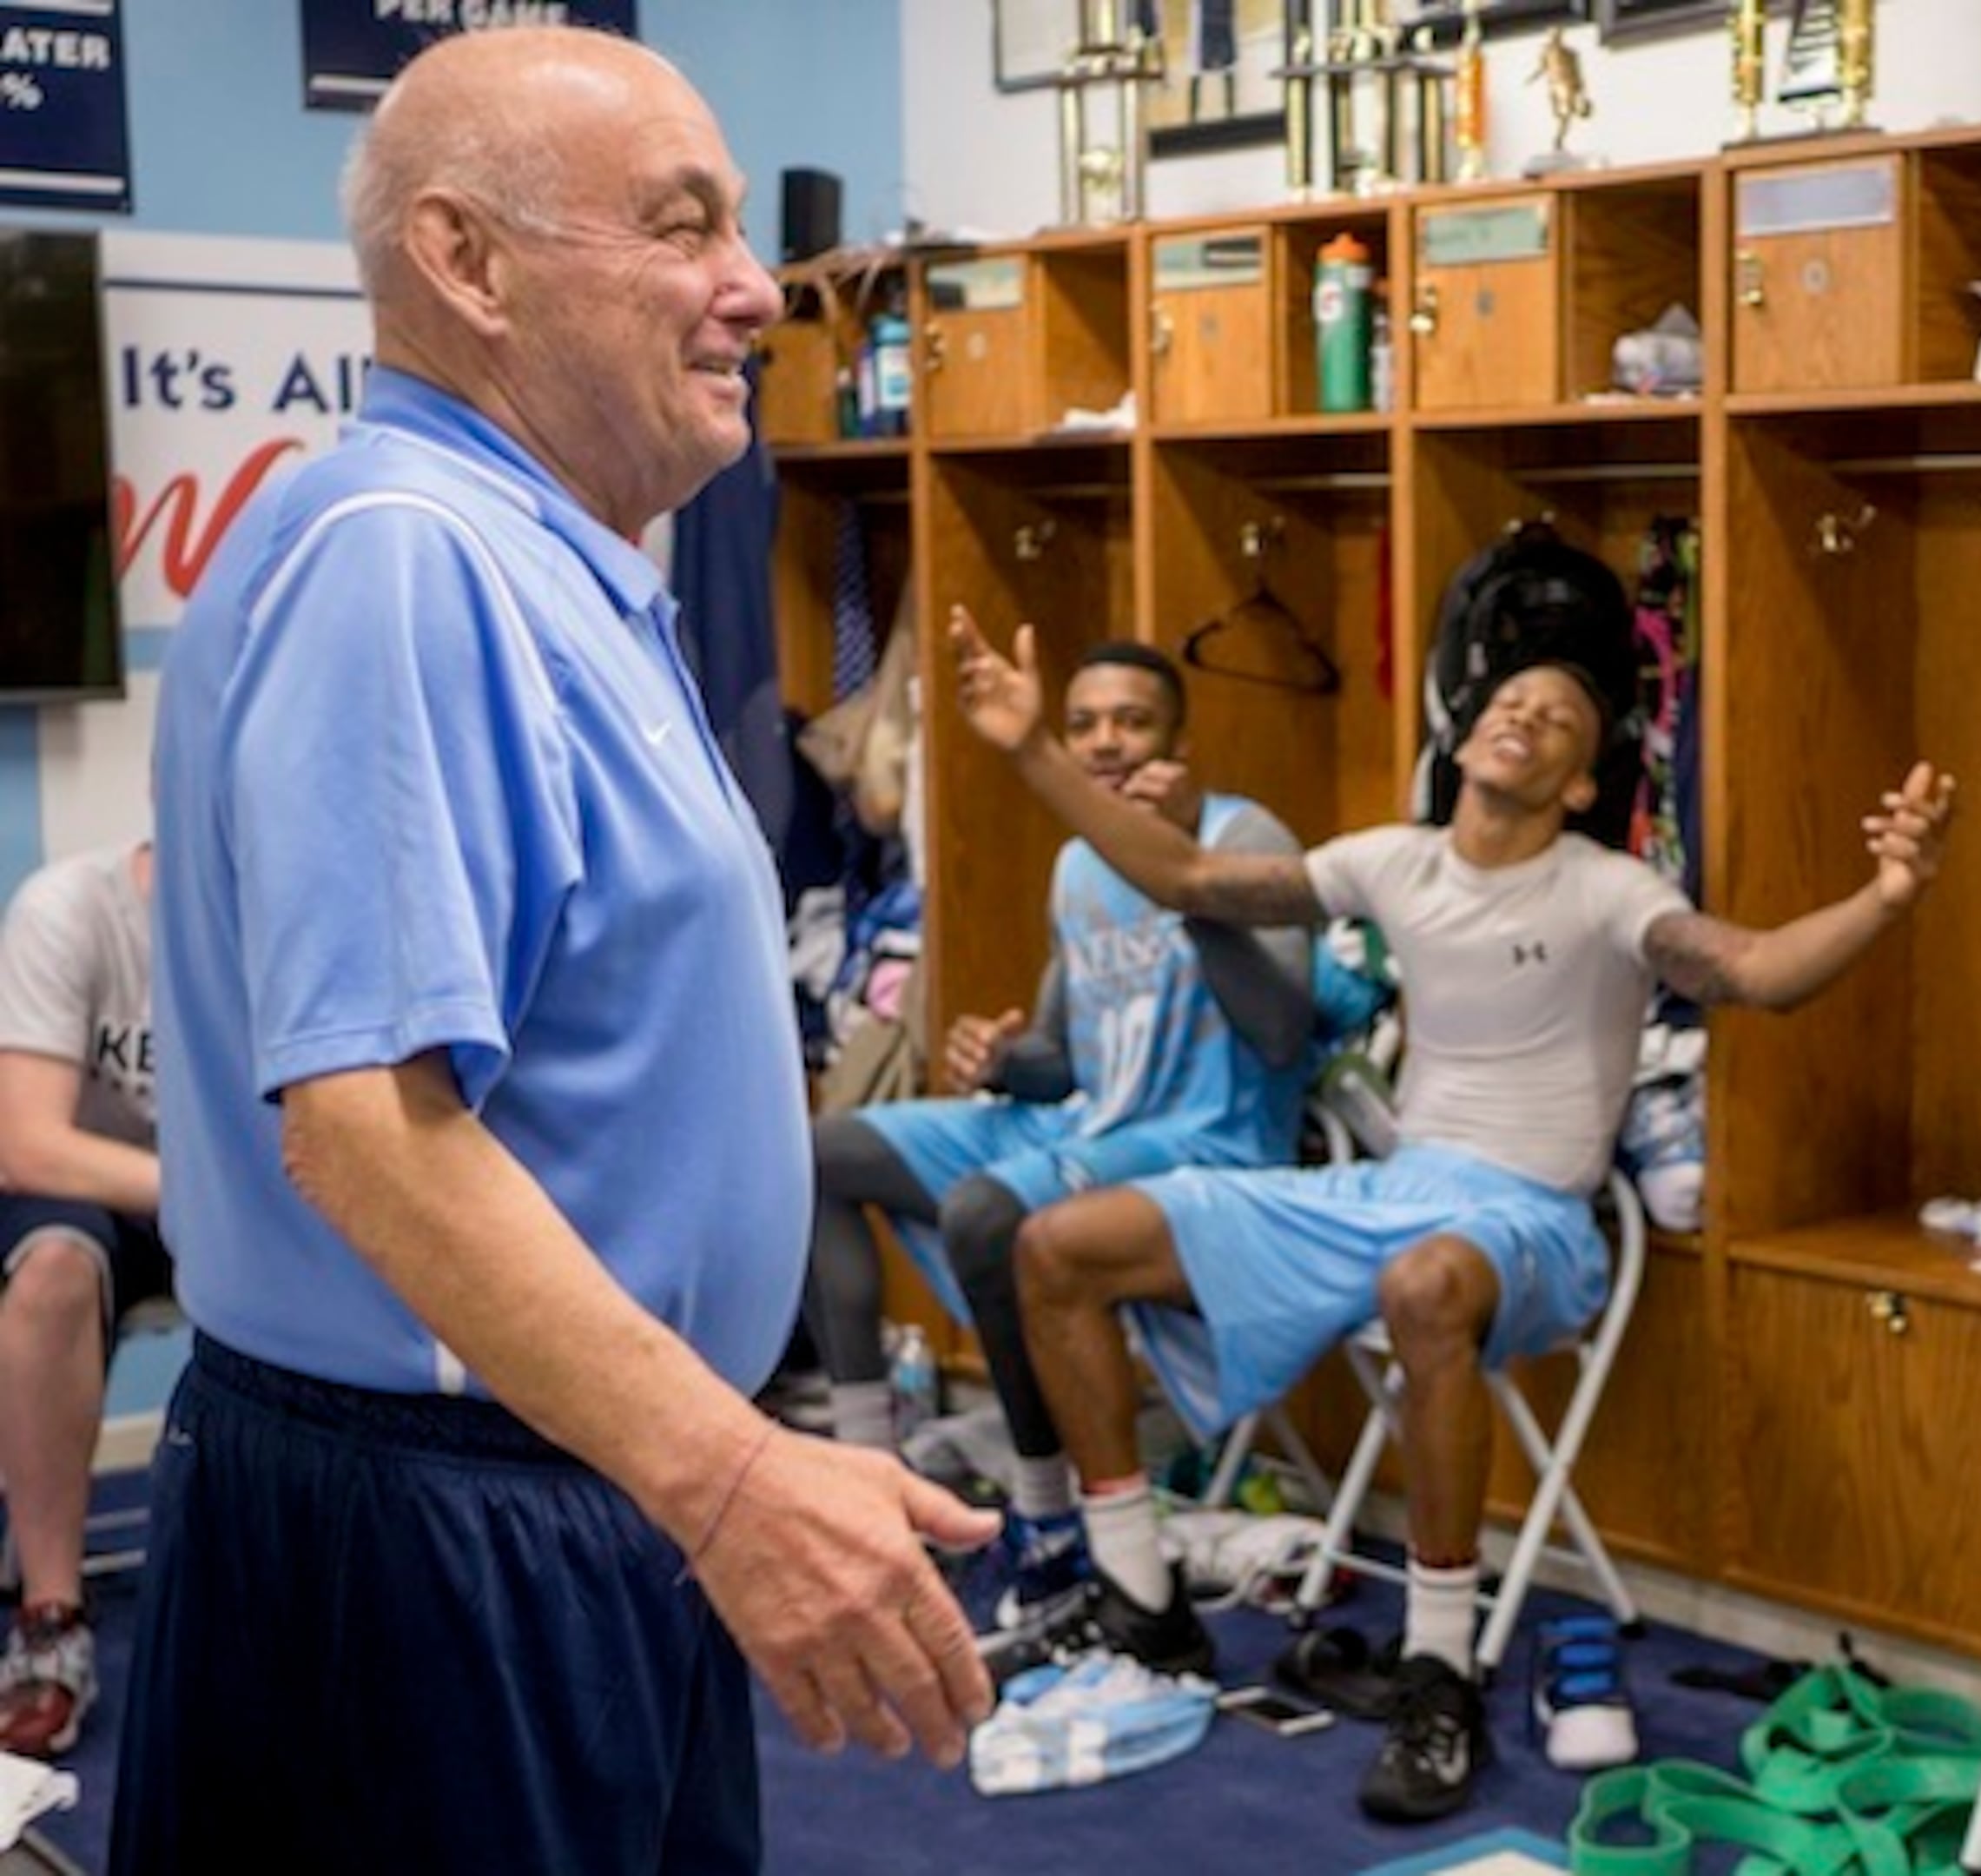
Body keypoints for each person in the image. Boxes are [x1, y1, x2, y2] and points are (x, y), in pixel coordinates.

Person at [128, 28, 994, 1871]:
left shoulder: (557, 556)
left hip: (577, 1484)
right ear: (466, 262)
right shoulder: (404, 554)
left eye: (740, 230)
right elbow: (367, 1124)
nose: (755, 289)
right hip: (437, 1531)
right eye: (681, 230)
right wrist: (738, 1476)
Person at [948, 604, 1958, 1822]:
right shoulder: (1394, 862)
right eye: (1508, 701)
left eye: (1562, 717)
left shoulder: (1609, 889)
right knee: (1057, 1245)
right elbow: (1184, 874)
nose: (1524, 714)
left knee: (1424, 1283)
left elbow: (1754, 974)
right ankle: (1141, 1604)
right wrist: (1028, 749)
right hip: (1389, 1192)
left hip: (1528, 1222)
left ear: (1583, 782)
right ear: (1466, 735)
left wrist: (1888, 899)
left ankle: (1439, 1669)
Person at [809, 638, 1311, 1675]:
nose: (1105, 743)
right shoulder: (1078, 861)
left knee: (989, 1214)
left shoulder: (1239, 833)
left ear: (1180, 740)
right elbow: (1065, 1063)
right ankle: (870, 1484)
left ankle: (1048, 1527)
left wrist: (1184, 877)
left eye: (1131, 721)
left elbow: (1280, 1035)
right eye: (1082, 724)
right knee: (820, 1154)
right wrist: (1000, 1060)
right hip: (1087, 1128)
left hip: (1209, 1146)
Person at [0, 840, 161, 1758]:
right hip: (83, 1191)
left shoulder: (283, 919)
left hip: (220, 1201)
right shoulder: (68, 909)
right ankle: (50, 1621)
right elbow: (30, 1145)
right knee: (56, 1267)